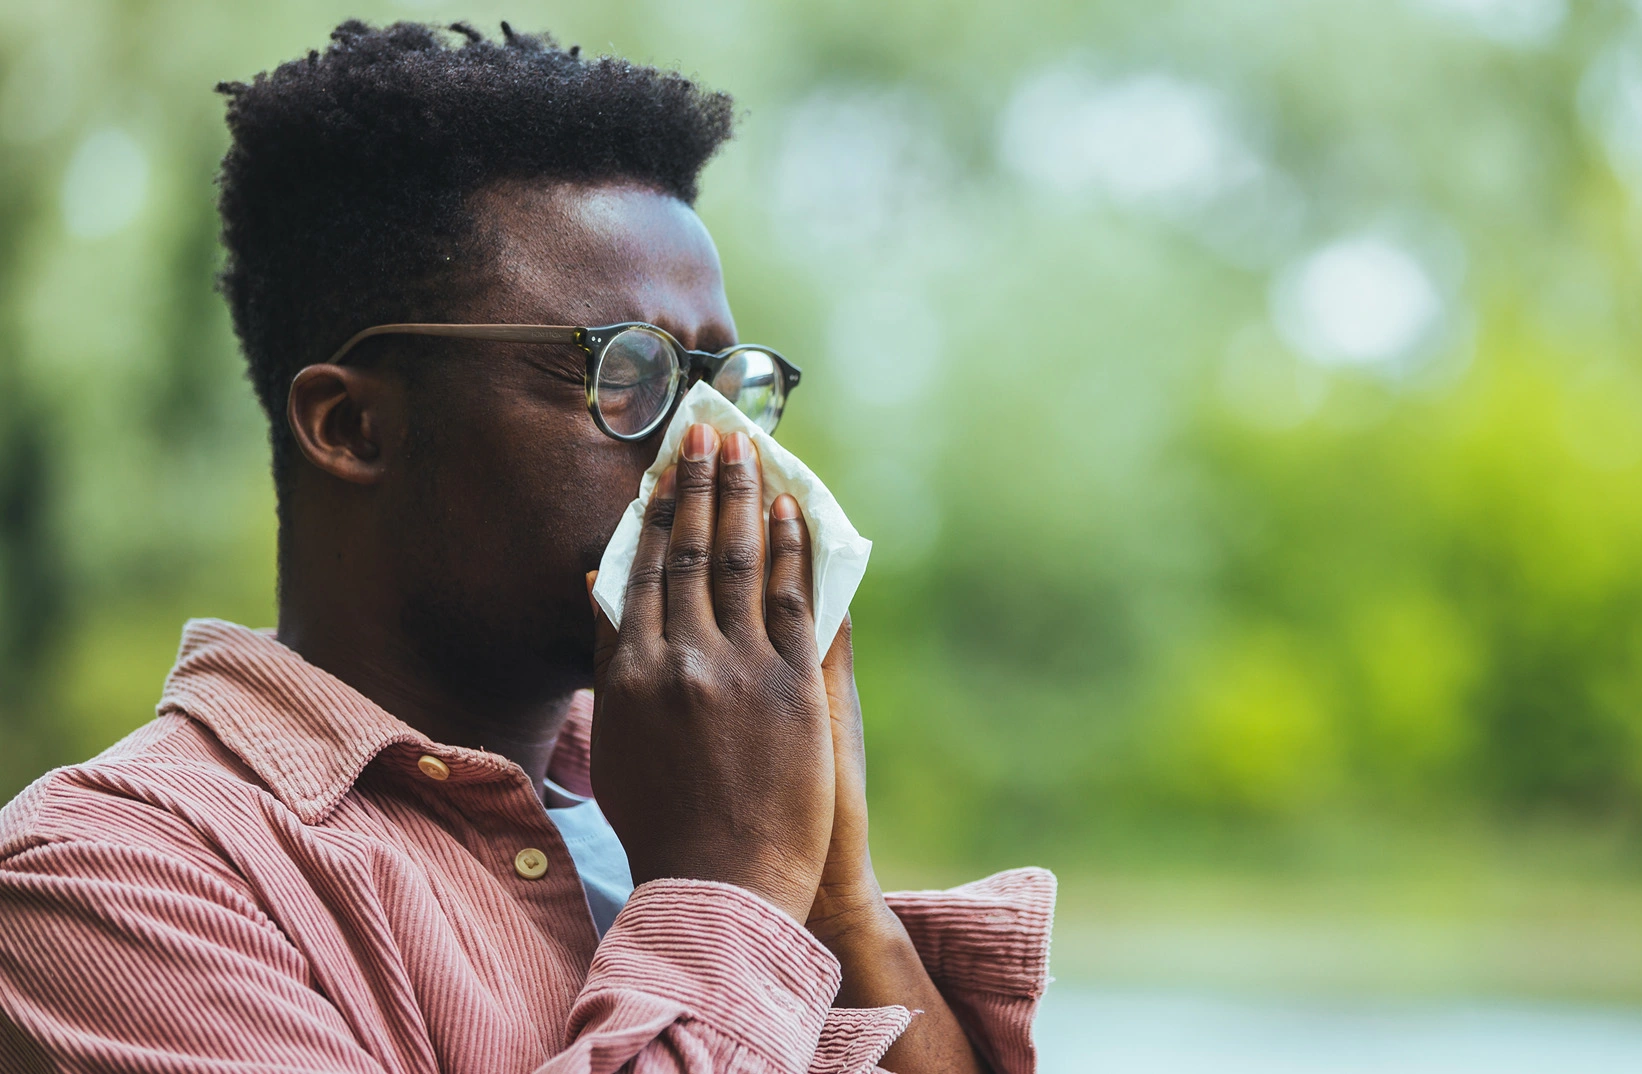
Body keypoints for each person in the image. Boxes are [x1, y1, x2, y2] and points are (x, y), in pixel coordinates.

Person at [0, 20, 1052, 1074]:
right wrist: (726, 893)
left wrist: (831, 893)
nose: (707, 446)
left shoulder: (673, 794)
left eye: (724, 384)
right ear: (353, 427)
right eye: (627, 371)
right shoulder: (115, 878)